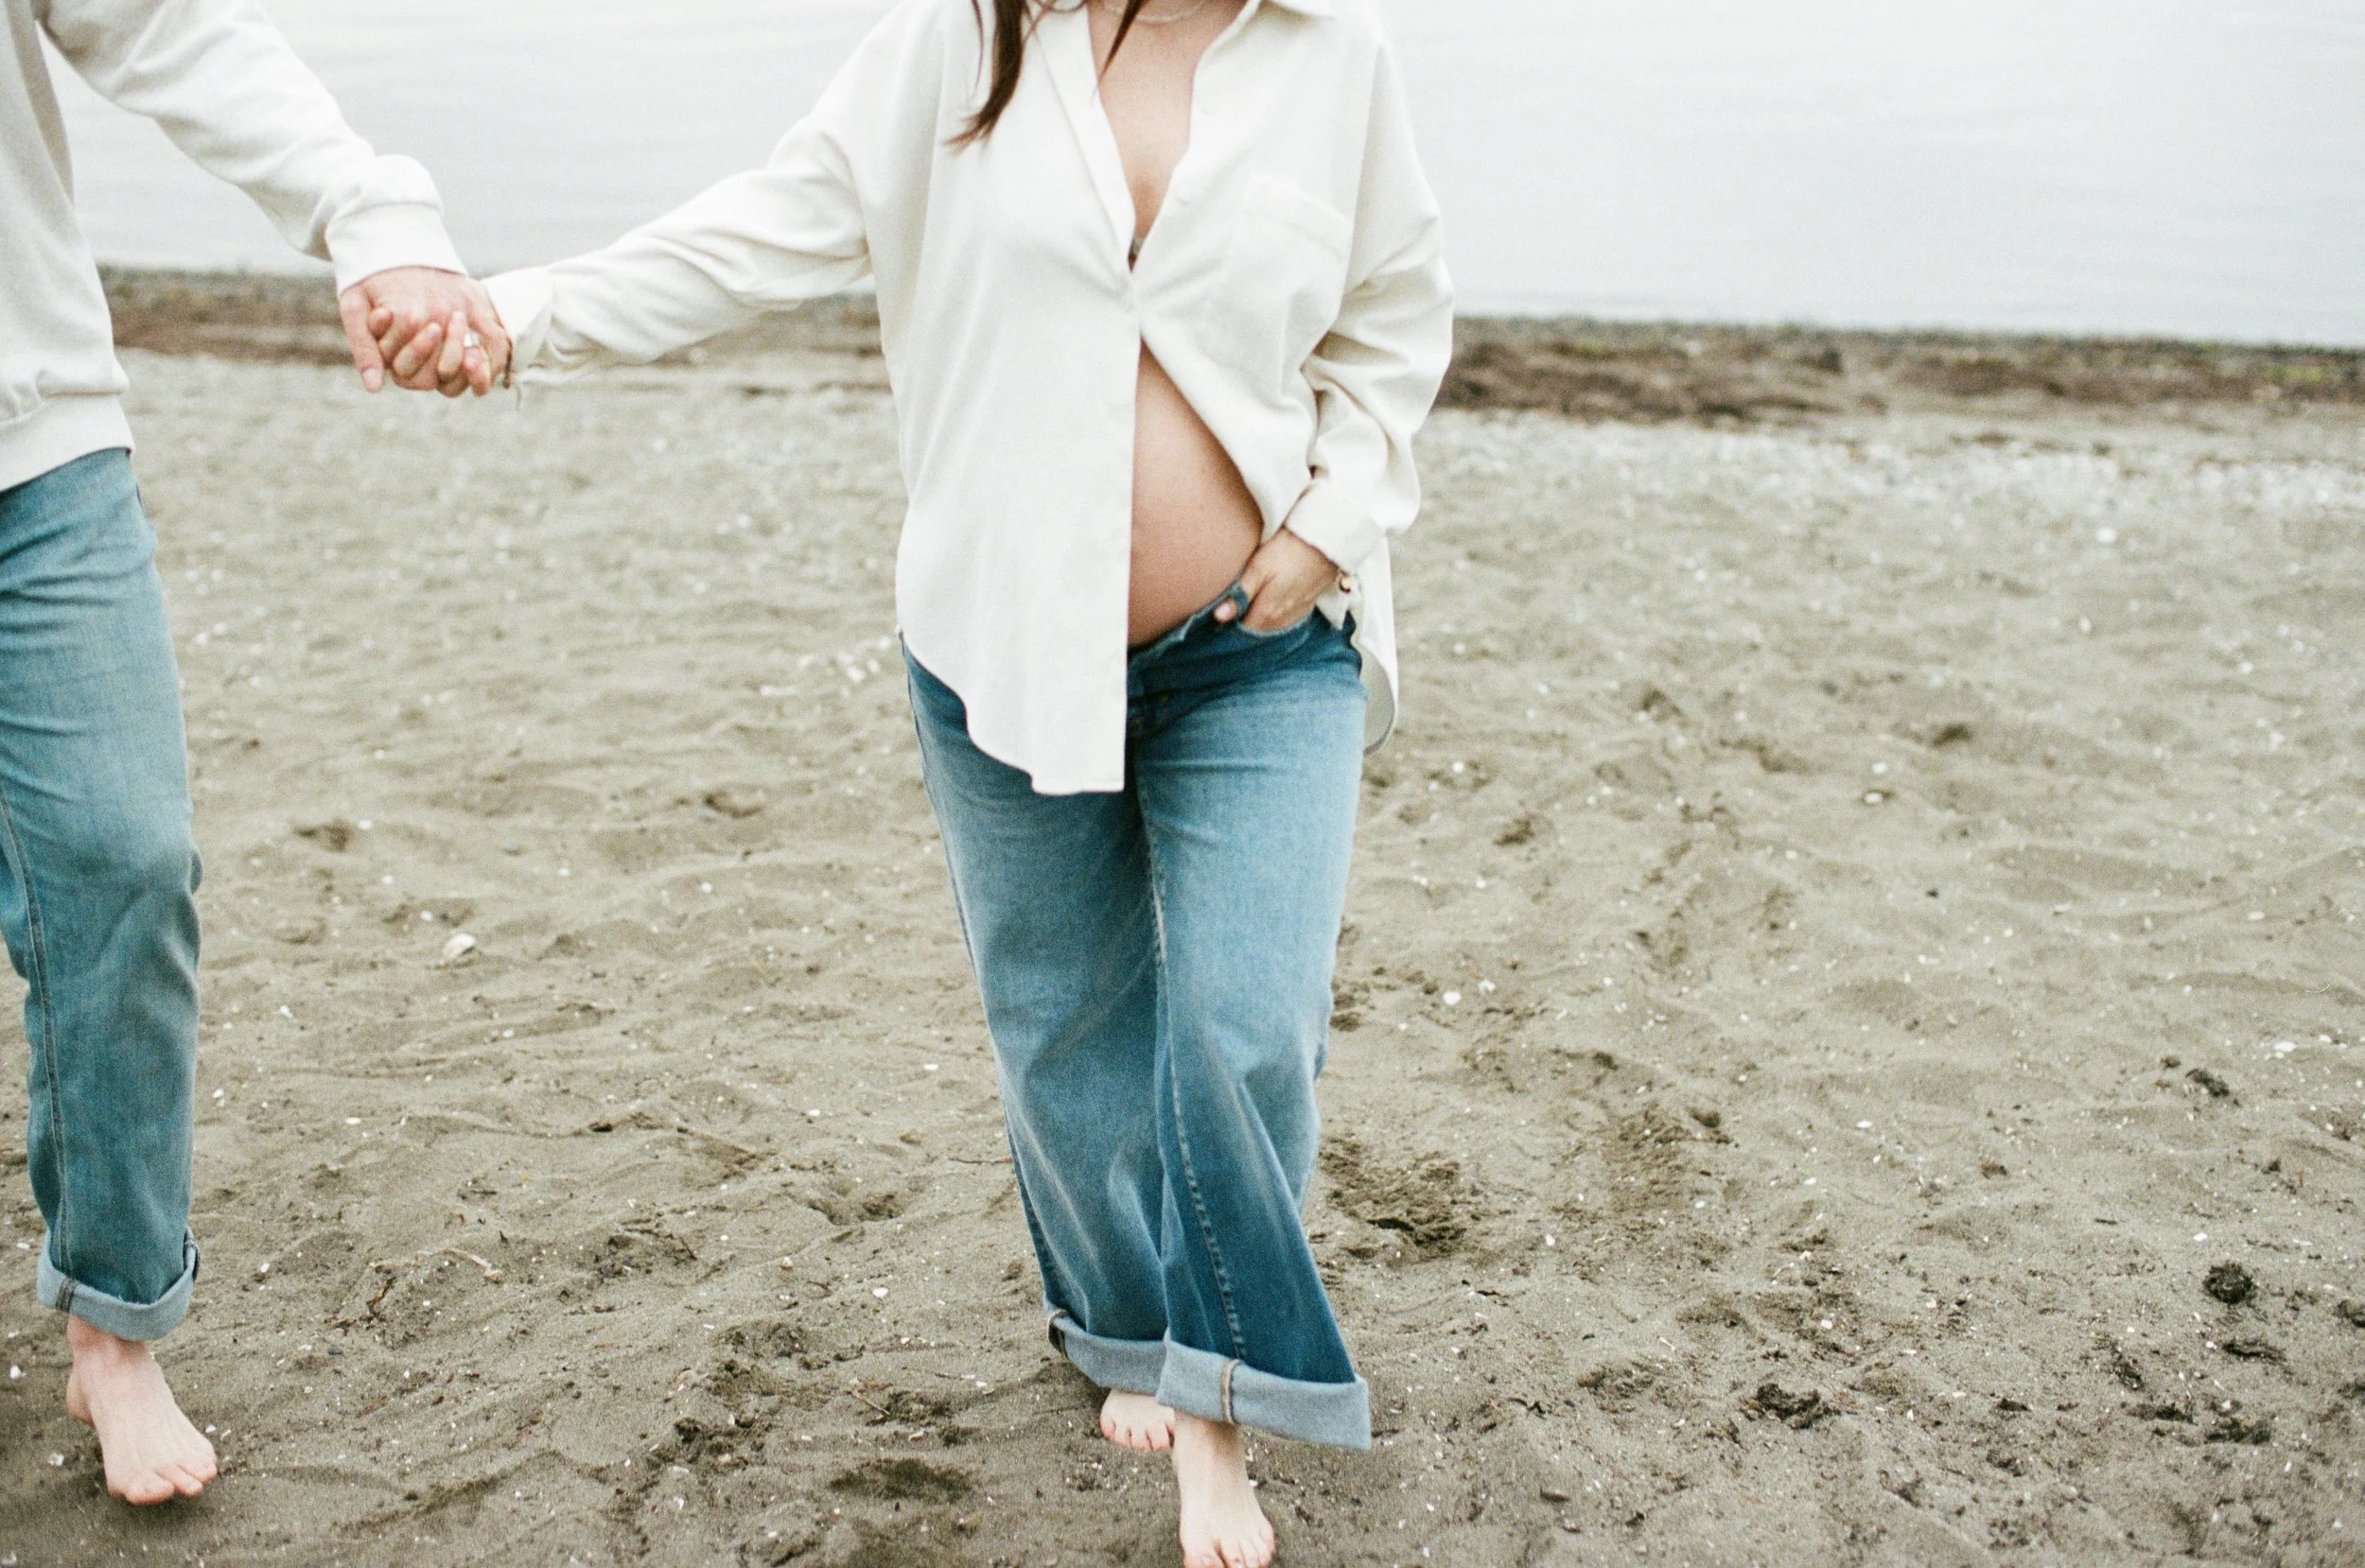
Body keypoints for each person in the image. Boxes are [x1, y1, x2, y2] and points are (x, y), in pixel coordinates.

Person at [386, 0, 1449, 1560]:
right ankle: (1119, 1323)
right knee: (1065, 1021)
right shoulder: (960, 45)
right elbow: (757, 233)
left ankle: (1218, 1409)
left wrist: (1325, 526)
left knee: (1245, 1026)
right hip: (1002, 641)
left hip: (1262, 646)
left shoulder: (1335, 59)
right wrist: (513, 315)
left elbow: (1393, 318)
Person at [1, 0, 508, 1506]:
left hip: (31, 445)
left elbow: (165, 24)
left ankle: (115, 1323)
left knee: (124, 862)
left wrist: (371, 209)